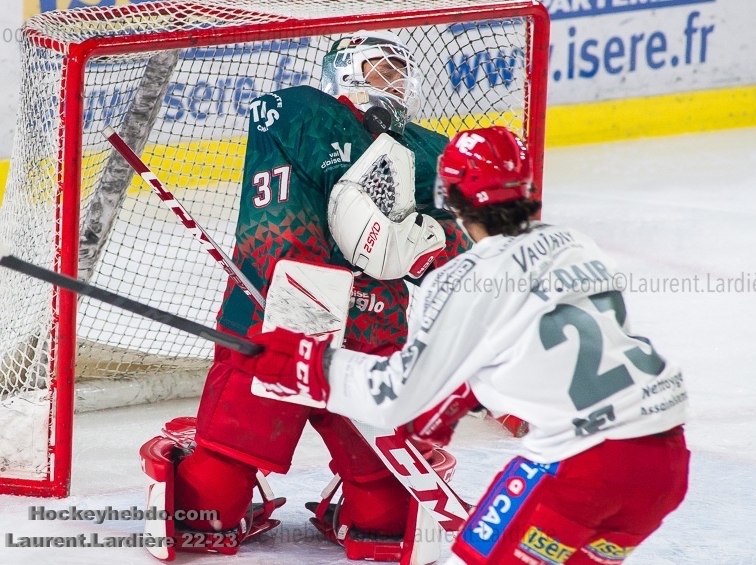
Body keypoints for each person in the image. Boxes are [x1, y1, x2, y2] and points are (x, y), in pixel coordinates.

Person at [248, 126, 691, 564]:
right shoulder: (577, 246)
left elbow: (395, 396)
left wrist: (307, 364)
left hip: (584, 467)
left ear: (451, 198)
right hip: (664, 464)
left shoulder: (463, 280)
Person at [140, 29, 470, 559]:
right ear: (345, 71)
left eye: (402, 70)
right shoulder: (424, 147)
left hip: (280, 306)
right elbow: (454, 245)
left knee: (225, 462)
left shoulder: (287, 107)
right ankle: (372, 522)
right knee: (373, 474)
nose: (397, 81)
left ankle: (204, 519)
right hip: (368, 319)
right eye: (382, 68)